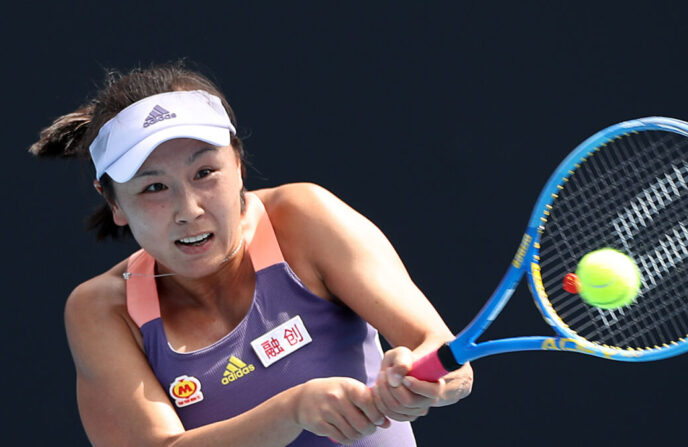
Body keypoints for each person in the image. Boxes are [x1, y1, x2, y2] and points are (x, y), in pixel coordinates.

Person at [30, 62, 472, 446]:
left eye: (205, 172)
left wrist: (420, 378)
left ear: (238, 165)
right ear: (115, 205)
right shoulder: (102, 310)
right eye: (154, 188)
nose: (190, 210)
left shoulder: (304, 218)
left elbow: (447, 357)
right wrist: (291, 411)